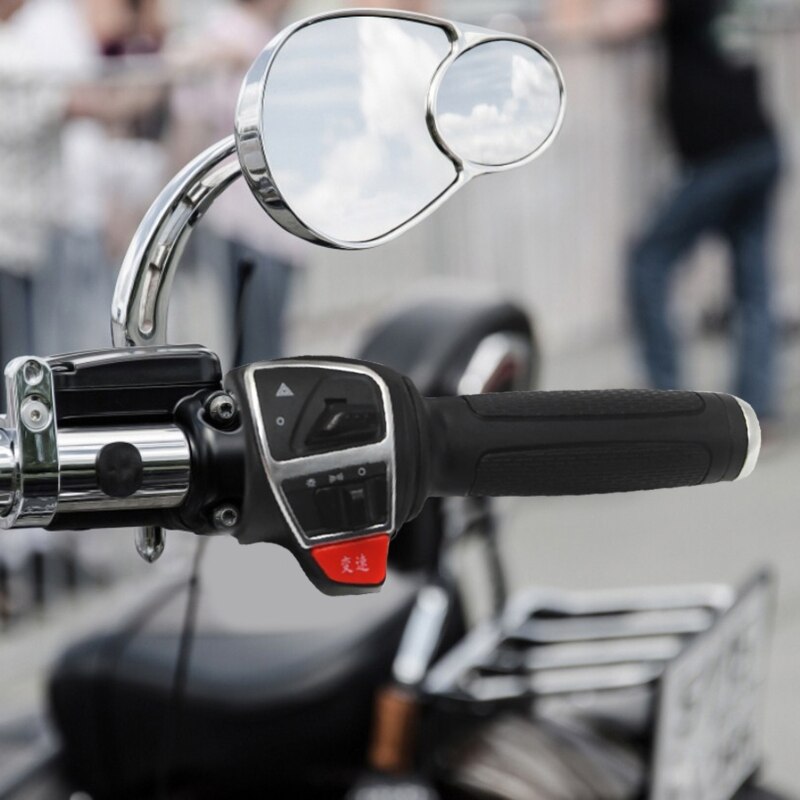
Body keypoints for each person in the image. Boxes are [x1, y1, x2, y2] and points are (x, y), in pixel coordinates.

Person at [559, 0, 782, 420]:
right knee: (752, 284)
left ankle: (666, 404)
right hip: (757, 145)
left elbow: (619, 22)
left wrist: (572, 28)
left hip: (724, 156)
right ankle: (757, 409)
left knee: (648, 260)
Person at [170, 0, 306, 367]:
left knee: (265, 344)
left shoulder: (264, 35)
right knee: (258, 351)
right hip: (246, 221)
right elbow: (191, 123)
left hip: (277, 223)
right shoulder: (222, 35)